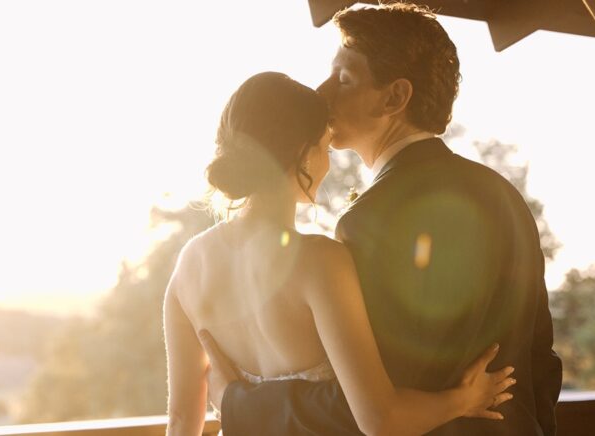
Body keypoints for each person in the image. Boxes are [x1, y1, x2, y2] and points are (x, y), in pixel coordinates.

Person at [202, 4, 563, 435]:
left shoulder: (368, 222)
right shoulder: (505, 196)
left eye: (344, 78)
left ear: (395, 97)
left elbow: (373, 407)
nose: (321, 92)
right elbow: (543, 368)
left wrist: (237, 402)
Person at [164, 71, 516, 436]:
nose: (328, 163)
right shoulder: (319, 262)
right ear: (304, 153)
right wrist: (465, 399)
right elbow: (380, 420)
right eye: (326, 145)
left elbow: (180, 422)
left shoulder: (188, 265)